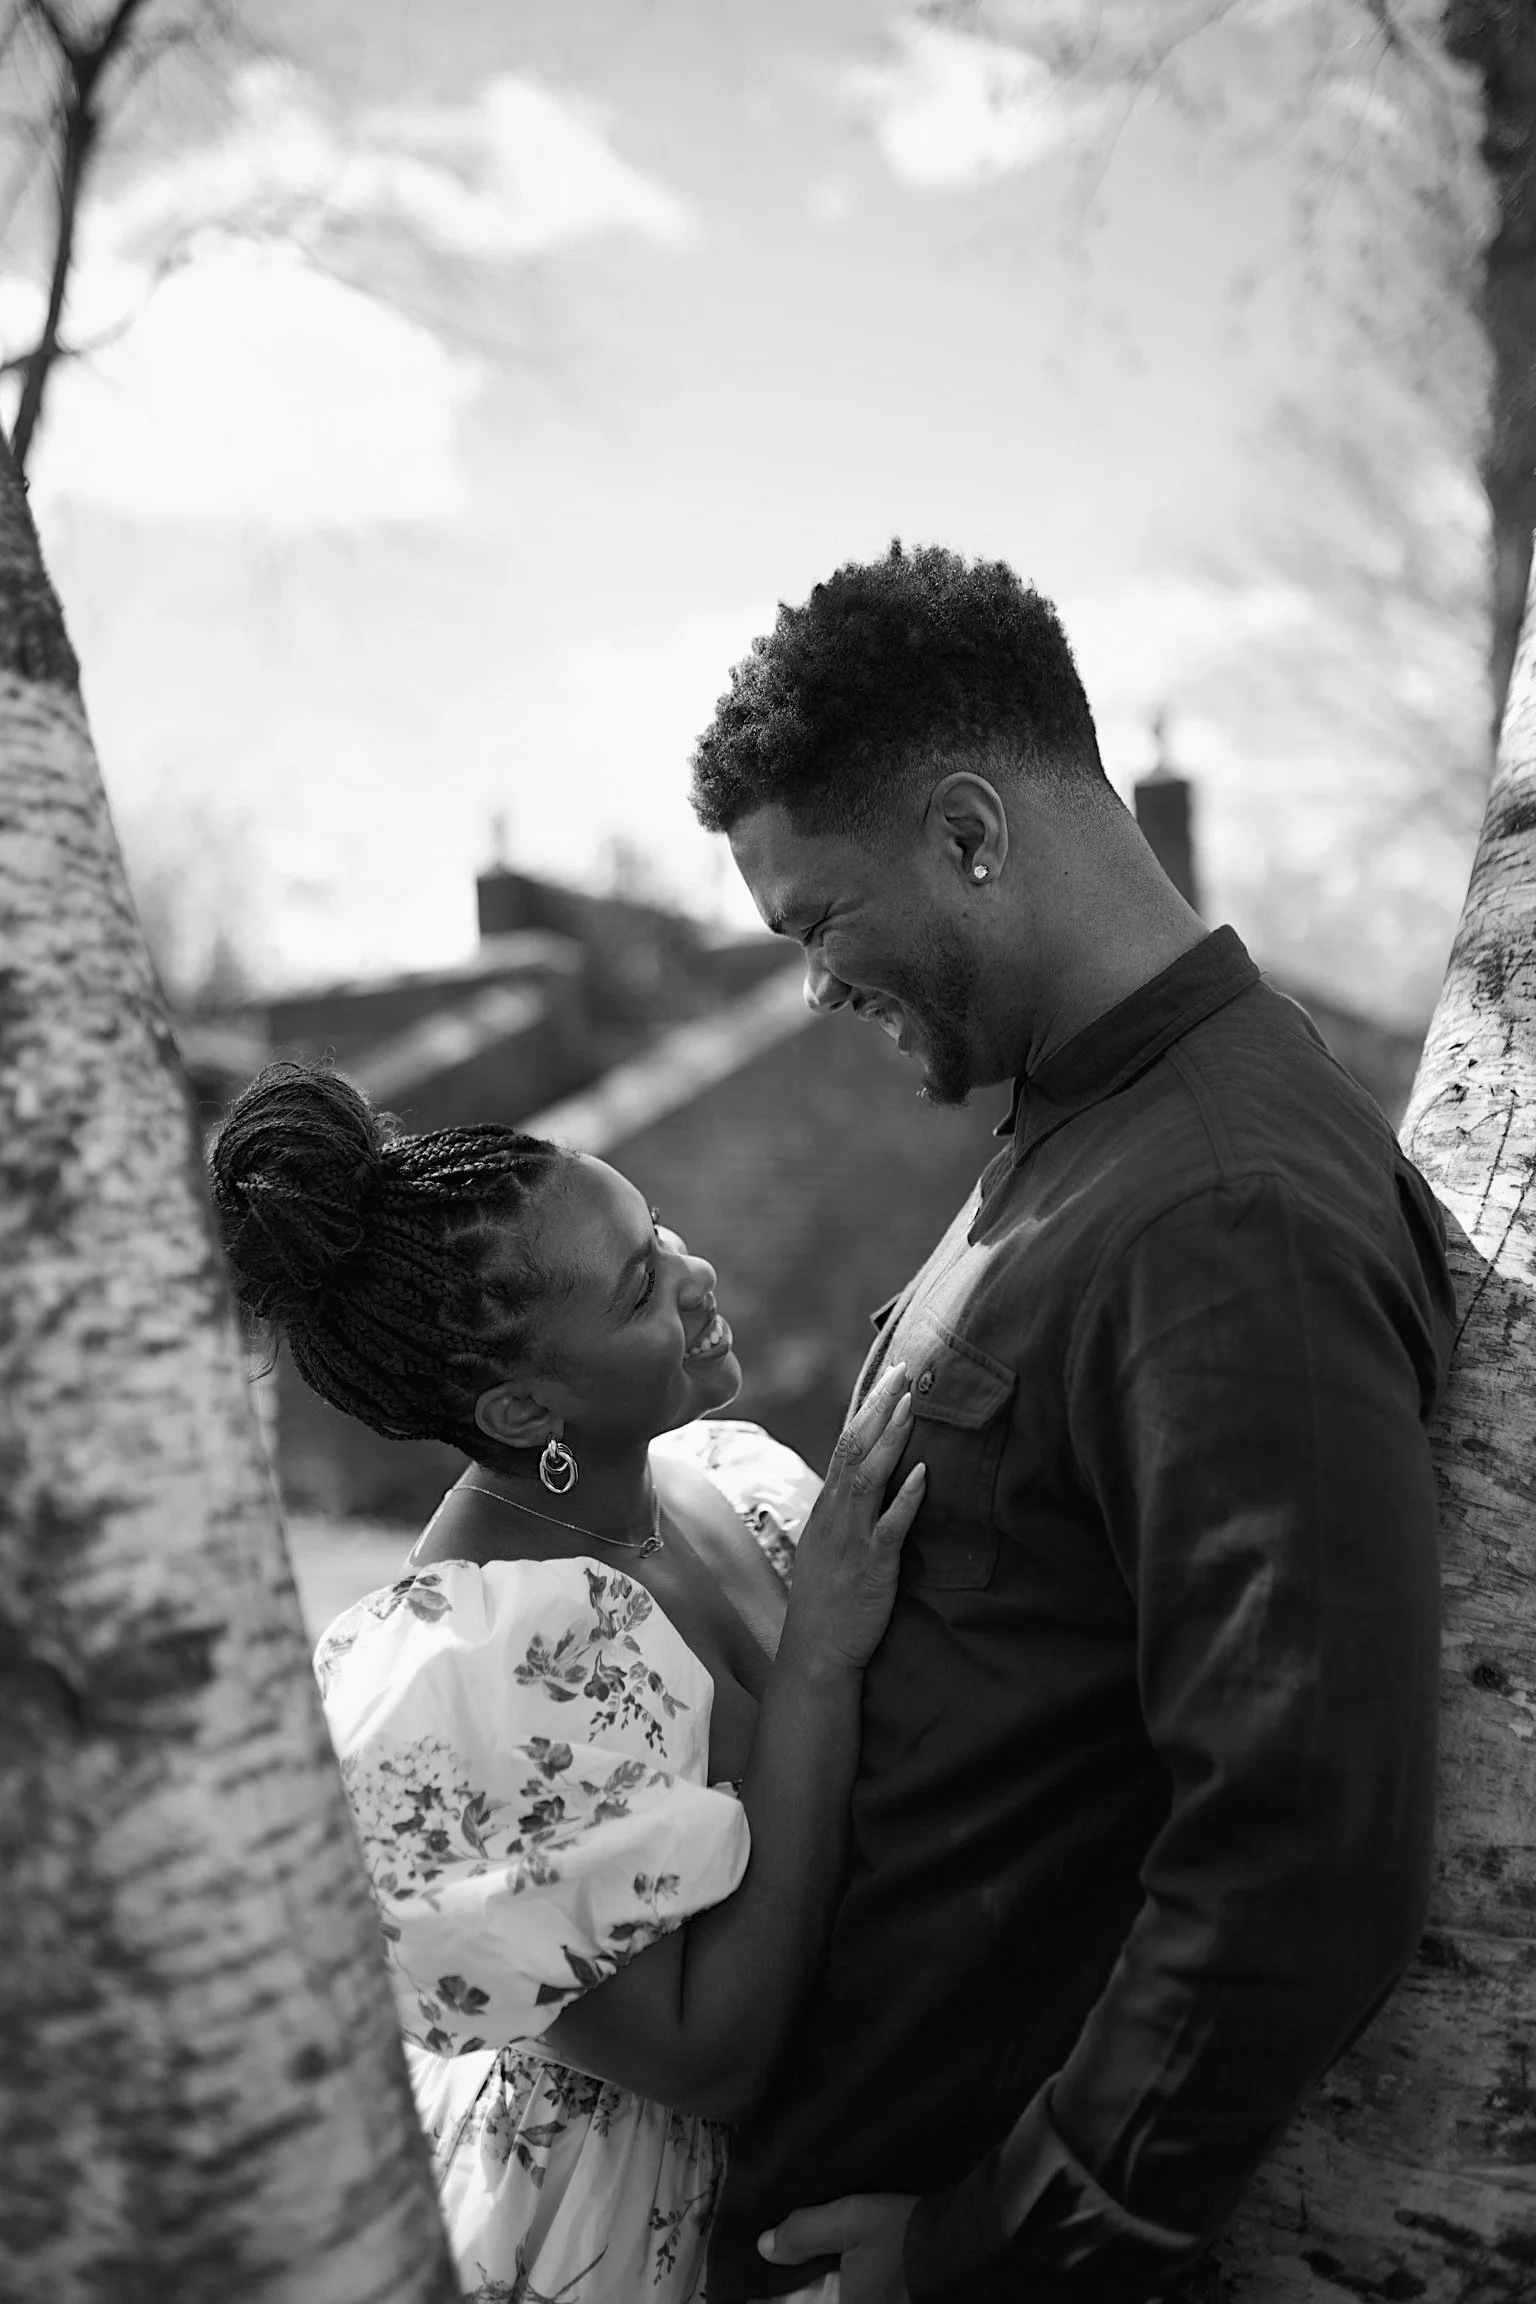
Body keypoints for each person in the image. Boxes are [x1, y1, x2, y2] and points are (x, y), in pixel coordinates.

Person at [688, 541, 1457, 2304]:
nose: (812, 987)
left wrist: (985, 2248)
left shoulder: (1219, 1208)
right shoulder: (1079, 1123)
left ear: (970, 834)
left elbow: (1300, 1856)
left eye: (819, 923)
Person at [208, 1063, 927, 2304]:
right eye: (642, 1286)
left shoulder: (714, 1480)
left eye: (661, 1236)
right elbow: (709, 2061)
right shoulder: (473, 1669)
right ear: (521, 1402)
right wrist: (817, 1659)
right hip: (619, 2226)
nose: (693, 1278)